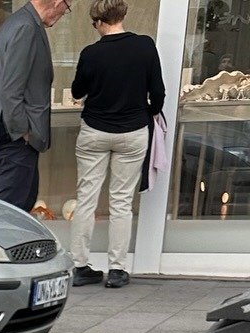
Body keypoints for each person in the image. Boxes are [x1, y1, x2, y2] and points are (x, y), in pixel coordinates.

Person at [69, 0, 165, 287]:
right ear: (122, 15)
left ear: (98, 21)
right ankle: (117, 269)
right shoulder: (145, 46)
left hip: (94, 131)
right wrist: (147, 112)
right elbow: (158, 92)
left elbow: (77, 91)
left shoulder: (91, 53)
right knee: (121, 202)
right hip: (133, 131)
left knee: (86, 199)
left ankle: (79, 266)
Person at [0, 0, 73, 211]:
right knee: (13, 211)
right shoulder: (26, 27)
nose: (64, 14)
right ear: (57, 2)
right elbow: (11, 90)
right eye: (67, 7)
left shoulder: (20, 22)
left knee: (21, 204)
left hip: (17, 134)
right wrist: (24, 132)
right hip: (17, 136)